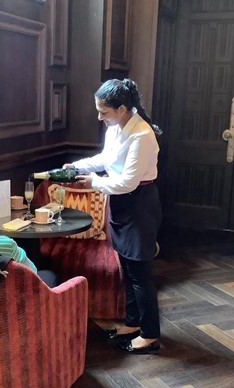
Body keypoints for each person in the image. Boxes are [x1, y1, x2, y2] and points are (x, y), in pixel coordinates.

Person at [63, 79, 163, 354]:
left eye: (103, 111)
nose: (99, 117)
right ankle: (132, 323)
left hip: (139, 205)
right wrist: (78, 166)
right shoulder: (116, 128)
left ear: (121, 108)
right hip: (120, 204)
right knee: (127, 270)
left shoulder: (142, 136)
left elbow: (128, 182)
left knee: (140, 274)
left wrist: (93, 183)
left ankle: (151, 335)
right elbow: (106, 161)